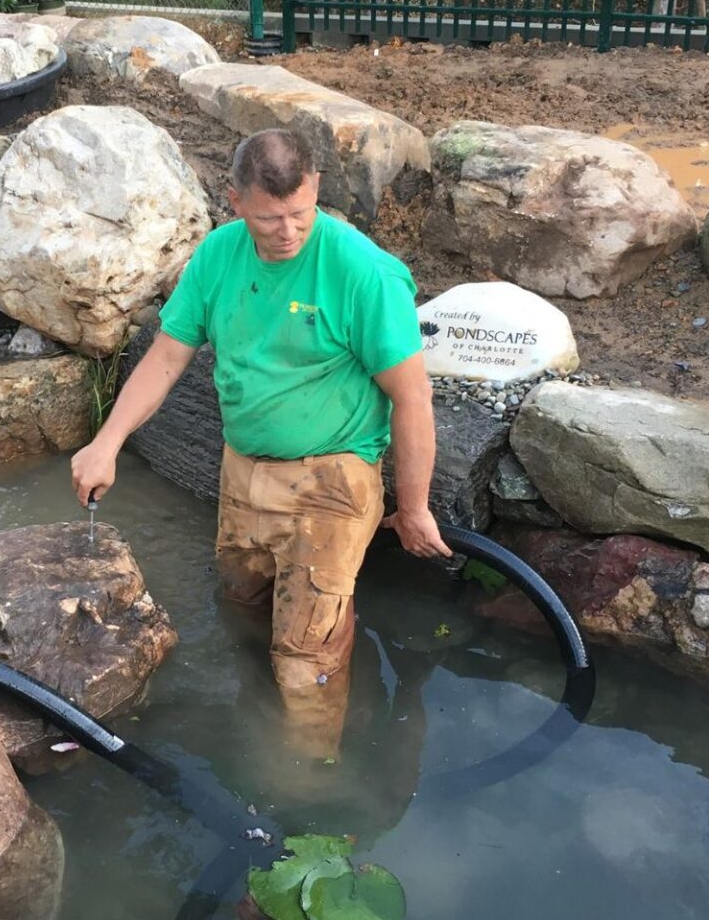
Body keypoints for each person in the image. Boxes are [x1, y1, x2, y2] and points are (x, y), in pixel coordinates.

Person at [70, 128, 449, 758]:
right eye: (270, 218)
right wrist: (106, 442)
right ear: (236, 200)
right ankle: (265, 712)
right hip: (243, 469)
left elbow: (412, 397)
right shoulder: (219, 255)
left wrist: (413, 508)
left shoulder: (361, 272)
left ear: (316, 189)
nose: (288, 232)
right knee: (242, 602)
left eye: (300, 213)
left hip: (332, 477)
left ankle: (308, 776)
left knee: (305, 655)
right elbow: (165, 358)